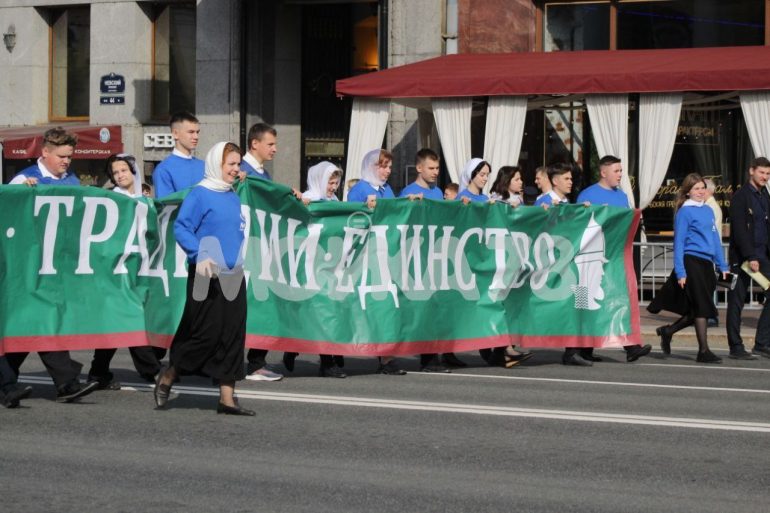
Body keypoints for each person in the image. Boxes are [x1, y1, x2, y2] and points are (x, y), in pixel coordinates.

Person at [154, 141, 255, 415]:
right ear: (215, 164)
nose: (236, 169)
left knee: (233, 336)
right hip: (205, 273)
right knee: (204, 334)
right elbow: (182, 227)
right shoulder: (199, 194)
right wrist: (199, 254)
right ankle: (169, 374)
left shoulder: (232, 194)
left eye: (238, 164)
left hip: (233, 274)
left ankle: (227, 399)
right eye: (230, 164)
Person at [5, 127, 100, 401]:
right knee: (41, 321)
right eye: (62, 156)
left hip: (57, 269)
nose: (67, 161)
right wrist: (18, 195)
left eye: (70, 156)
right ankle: (66, 383)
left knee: (34, 324)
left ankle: (8, 383)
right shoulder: (25, 180)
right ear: (45, 152)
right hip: (27, 269)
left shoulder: (71, 181)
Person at [576, 155, 652, 363]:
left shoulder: (622, 196)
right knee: (586, 303)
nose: (620, 175)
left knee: (619, 300)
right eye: (616, 171)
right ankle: (580, 349)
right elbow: (579, 225)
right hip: (591, 259)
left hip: (615, 257)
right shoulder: (587, 195)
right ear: (603, 172)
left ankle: (631, 347)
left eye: (621, 171)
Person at [101, 154, 169, 382]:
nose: (120, 176)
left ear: (133, 171)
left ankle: (98, 371)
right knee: (132, 316)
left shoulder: (144, 200)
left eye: (123, 170)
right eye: (115, 173)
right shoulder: (112, 199)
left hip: (139, 268)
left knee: (116, 321)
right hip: (117, 269)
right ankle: (153, 370)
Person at [648, 173, 728, 364]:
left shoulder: (708, 210)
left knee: (697, 309)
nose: (700, 192)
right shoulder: (684, 212)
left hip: (707, 264)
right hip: (691, 261)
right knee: (702, 307)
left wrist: (722, 264)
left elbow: (715, 240)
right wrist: (681, 271)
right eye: (696, 188)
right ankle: (704, 351)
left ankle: (668, 331)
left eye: (702, 188)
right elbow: (679, 243)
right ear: (688, 192)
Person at [399, 149, 466, 372]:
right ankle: (428, 358)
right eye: (431, 168)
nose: (436, 172)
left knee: (439, 307)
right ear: (419, 168)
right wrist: (409, 204)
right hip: (418, 258)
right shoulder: (408, 192)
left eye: (437, 168)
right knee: (425, 308)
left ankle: (442, 352)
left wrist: (461, 206)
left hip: (438, 257)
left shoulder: (437, 192)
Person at [282, 161, 347, 378]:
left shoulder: (334, 202)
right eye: (330, 182)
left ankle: (322, 355)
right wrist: (302, 205)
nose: (333, 187)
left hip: (329, 265)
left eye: (336, 183)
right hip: (309, 265)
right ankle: (325, 361)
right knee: (317, 312)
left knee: (326, 311)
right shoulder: (308, 198)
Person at [347, 149, 405, 375]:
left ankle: (387, 357)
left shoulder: (386, 190)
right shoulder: (359, 189)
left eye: (389, 167)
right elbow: (349, 218)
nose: (387, 171)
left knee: (387, 305)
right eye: (383, 166)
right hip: (366, 256)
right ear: (372, 166)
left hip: (386, 255)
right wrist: (364, 207)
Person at [242, 124, 284, 382]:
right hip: (244, 251)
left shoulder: (263, 174)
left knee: (263, 305)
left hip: (262, 250)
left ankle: (257, 362)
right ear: (254, 143)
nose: (275, 149)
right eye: (270, 144)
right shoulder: (241, 171)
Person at [726, 157, 770, 360]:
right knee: (737, 301)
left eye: (768, 174)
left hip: (763, 256)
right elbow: (740, 230)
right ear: (751, 171)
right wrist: (750, 256)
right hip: (743, 259)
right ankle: (735, 346)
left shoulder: (764, 194)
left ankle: (762, 343)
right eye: (762, 172)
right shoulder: (741, 197)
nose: (765, 177)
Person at [151, 112, 205, 198]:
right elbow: (166, 204)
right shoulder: (163, 170)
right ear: (175, 134)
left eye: (197, 132)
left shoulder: (204, 166)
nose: (196, 137)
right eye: (191, 132)